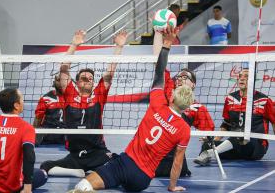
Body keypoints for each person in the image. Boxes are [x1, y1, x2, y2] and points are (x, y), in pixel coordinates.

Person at [70, 26, 194, 193]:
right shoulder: (184, 130)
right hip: (143, 179)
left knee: (83, 186)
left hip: (126, 163)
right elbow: (178, 163)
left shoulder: (158, 104)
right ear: (187, 107)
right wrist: (172, 186)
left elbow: (159, 71)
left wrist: (167, 45)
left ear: (171, 97)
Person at [40, 30, 128, 177]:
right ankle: (77, 172)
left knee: (121, 164)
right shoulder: (69, 94)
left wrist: (119, 47)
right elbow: (63, 69)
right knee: (45, 166)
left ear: (94, 83)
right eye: (83, 78)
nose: (87, 79)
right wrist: (74, 45)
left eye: (90, 78)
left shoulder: (99, 95)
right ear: (77, 82)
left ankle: (91, 170)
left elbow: (110, 72)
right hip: (75, 155)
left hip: (97, 153)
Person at [194, 69, 275, 166]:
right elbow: (226, 123)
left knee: (241, 134)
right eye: (240, 76)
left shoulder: (263, 100)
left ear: (253, 81)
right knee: (207, 145)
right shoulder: (230, 98)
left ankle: (210, 154)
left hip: (256, 147)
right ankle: (210, 151)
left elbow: (274, 122)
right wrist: (215, 139)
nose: (242, 78)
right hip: (236, 145)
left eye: (246, 76)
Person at [0, 88, 47, 193]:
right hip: (12, 186)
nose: (24, 102)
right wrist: (27, 187)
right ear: (16, 105)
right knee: (43, 174)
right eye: (22, 99)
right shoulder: (26, 128)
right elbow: (29, 156)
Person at [155, 68, 215, 177]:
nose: (179, 80)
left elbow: (208, 131)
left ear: (193, 85)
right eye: (178, 77)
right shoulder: (167, 93)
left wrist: (207, 138)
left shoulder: (197, 108)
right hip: (153, 156)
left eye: (185, 77)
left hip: (175, 161)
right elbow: (162, 70)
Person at [33, 73, 65, 145]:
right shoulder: (46, 98)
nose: (61, 82)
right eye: (58, 80)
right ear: (54, 83)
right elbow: (38, 118)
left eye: (64, 80)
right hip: (48, 132)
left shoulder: (73, 98)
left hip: (66, 132)